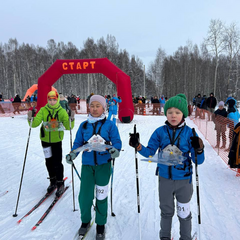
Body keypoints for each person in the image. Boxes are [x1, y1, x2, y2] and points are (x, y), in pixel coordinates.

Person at [129, 93, 205, 240]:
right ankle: (164, 237)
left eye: (177, 112)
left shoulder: (190, 133)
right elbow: (150, 153)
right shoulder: (160, 132)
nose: (173, 115)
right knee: (166, 211)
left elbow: (198, 161)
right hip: (165, 179)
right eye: (170, 112)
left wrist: (199, 149)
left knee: (183, 212)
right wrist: (138, 146)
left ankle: (185, 237)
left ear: (183, 114)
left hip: (184, 181)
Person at [66, 95, 122, 240]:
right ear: (89, 107)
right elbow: (78, 143)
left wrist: (115, 150)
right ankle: (85, 222)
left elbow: (117, 142)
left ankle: (100, 225)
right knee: (85, 196)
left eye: (98, 106)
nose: (95, 109)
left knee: (101, 196)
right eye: (92, 105)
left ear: (104, 108)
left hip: (103, 165)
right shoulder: (84, 125)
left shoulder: (110, 125)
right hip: (87, 166)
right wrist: (73, 154)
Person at [27, 91, 75, 197]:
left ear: (57, 99)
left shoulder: (61, 111)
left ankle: (60, 183)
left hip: (56, 141)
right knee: (48, 161)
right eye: (50, 99)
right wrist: (31, 117)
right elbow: (34, 124)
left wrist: (71, 119)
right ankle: (52, 181)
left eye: (54, 99)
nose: (52, 102)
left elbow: (68, 127)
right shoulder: (43, 110)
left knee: (57, 162)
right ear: (47, 100)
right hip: (45, 141)